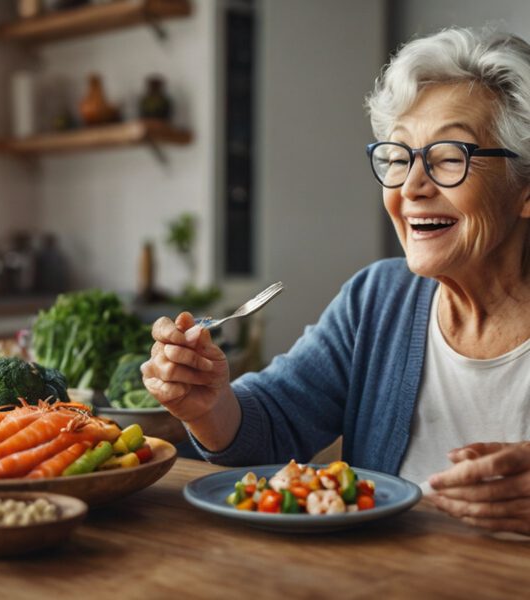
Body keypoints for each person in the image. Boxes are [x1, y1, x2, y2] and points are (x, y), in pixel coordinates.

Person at [141, 26, 530, 535]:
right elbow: (274, 420)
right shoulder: (378, 300)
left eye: (450, 158)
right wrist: (210, 406)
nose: (411, 186)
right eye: (397, 157)